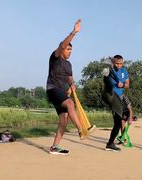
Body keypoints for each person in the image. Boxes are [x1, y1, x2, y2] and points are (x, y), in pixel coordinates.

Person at [46, 19, 95, 155]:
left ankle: (54, 147)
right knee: (69, 103)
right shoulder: (55, 57)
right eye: (68, 49)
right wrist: (74, 32)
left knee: (64, 120)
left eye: (71, 50)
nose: (69, 51)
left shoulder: (69, 65)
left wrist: (72, 85)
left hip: (62, 92)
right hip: (53, 89)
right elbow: (62, 45)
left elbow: (70, 79)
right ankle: (82, 130)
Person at [104, 55, 133, 151]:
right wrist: (116, 83)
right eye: (117, 63)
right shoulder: (108, 70)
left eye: (121, 63)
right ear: (113, 62)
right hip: (110, 94)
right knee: (107, 78)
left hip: (119, 97)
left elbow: (127, 84)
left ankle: (110, 143)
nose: (119, 66)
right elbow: (106, 80)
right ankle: (110, 143)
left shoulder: (124, 71)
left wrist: (123, 84)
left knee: (118, 122)